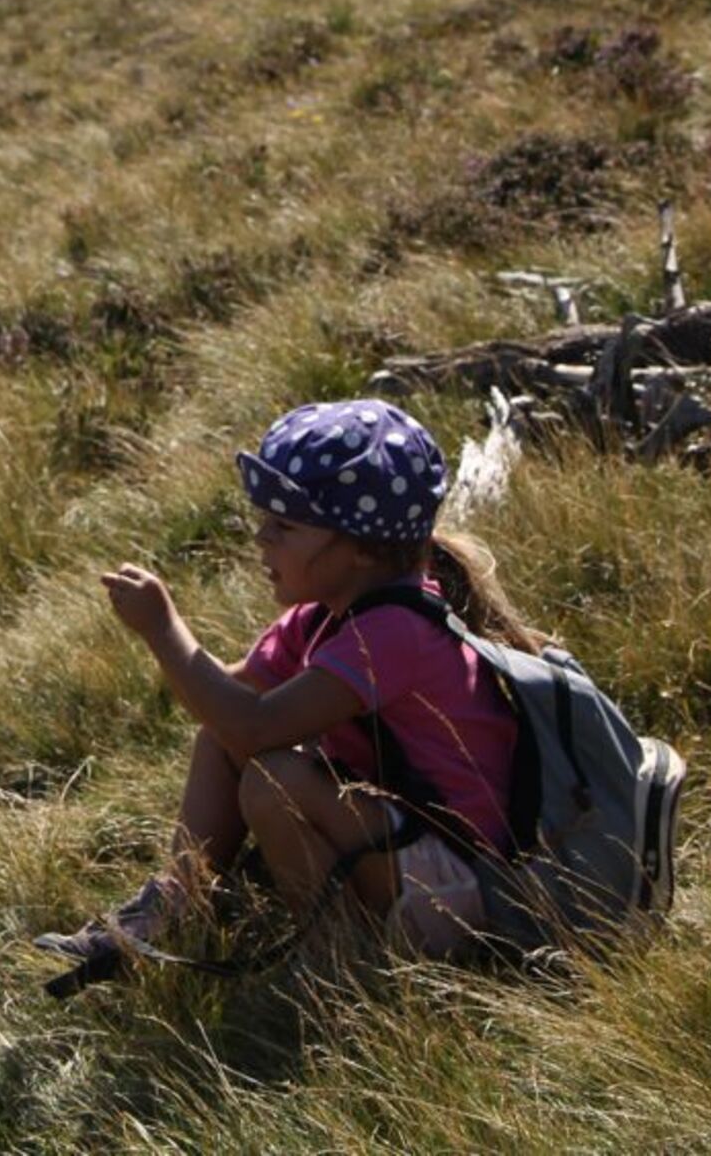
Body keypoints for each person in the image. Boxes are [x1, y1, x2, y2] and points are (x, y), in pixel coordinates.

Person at [36, 399, 538, 979]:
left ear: (360, 547)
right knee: (225, 738)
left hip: (468, 889)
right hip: (414, 855)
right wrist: (178, 653)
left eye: (285, 526)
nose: (260, 537)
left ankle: (334, 967)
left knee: (275, 777)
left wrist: (163, 630)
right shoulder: (325, 616)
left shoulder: (394, 632)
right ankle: (180, 900)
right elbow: (229, 711)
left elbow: (256, 728)